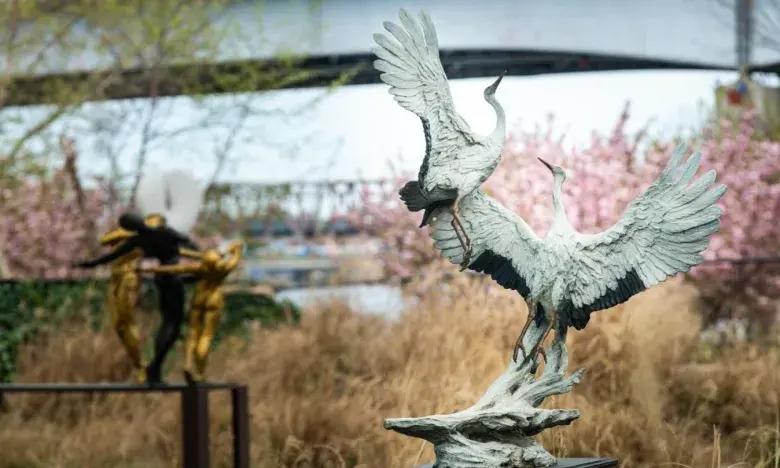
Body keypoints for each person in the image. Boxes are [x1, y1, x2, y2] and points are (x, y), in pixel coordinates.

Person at [76, 212, 199, 384]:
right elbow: (188, 243)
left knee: (168, 324)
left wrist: (88, 264)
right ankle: (155, 367)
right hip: (172, 277)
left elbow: (109, 257)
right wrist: (201, 263)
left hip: (161, 279)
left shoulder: (138, 240)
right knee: (173, 324)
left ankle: (155, 368)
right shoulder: (164, 231)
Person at [144, 241, 243, 383]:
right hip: (214, 299)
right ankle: (200, 372)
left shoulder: (200, 267)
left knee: (192, 333)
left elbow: (177, 269)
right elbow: (237, 249)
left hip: (198, 298)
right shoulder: (225, 268)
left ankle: (188, 364)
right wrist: (226, 251)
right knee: (206, 335)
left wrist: (152, 270)